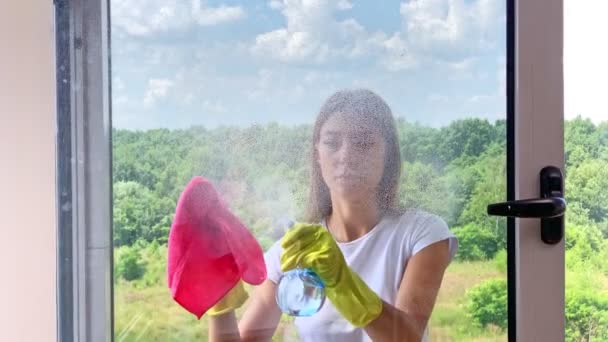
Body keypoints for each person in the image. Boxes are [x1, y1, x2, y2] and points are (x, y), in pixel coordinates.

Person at [207, 89, 458, 341]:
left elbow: (408, 337)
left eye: (363, 142)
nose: (346, 156)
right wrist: (220, 297)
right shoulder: (295, 249)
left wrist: (342, 281)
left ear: (388, 154)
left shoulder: (422, 233)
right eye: (332, 142)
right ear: (317, 154)